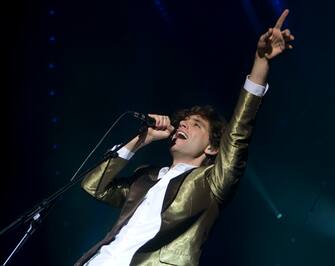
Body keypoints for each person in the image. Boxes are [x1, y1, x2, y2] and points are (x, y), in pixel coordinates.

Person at [75, 9, 294, 266]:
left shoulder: (212, 182)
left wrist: (260, 64)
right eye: (183, 122)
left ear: (212, 148)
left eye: (195, 125)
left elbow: (239, 131)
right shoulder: (145, 177)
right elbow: (93, 186)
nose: (184, 126)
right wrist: (140, 140)